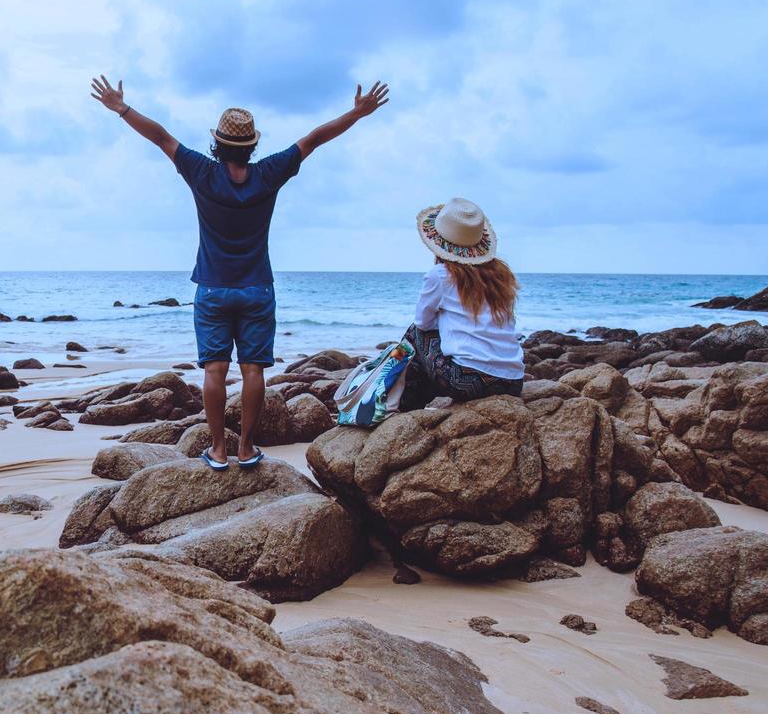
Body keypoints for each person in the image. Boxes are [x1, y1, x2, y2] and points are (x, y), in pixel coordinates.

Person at [90, 73, 390, 469]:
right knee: (253, 371)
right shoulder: (268, 173)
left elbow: (161, 136)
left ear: (217, 143)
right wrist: (357, 114)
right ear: (252, 146)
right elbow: (314, 138)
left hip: (213, 289)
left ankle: (217, 448)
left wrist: (121, 108)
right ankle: (246, 447)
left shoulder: (201, 171)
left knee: (214, 369)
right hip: (256, 289)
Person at [399, 198, 524, 411]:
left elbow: (423, 323)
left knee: (415, 333)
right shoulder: (501, 276)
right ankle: (411, 403)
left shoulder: (440, 275)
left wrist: (444, 325)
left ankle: (404, 405)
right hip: (512, 382)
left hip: (468, 382)